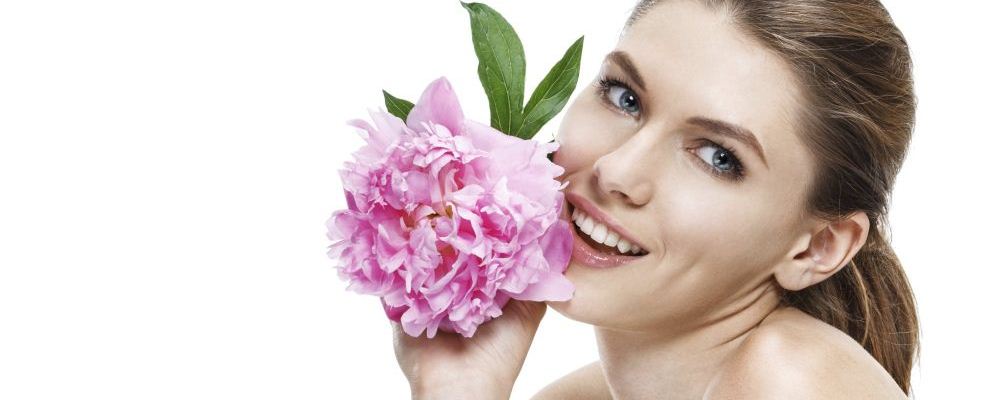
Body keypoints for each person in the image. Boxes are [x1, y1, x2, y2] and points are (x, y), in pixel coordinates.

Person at [392, 0, 919, 398]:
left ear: (817, 247)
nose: (616, 170)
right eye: (624, 97)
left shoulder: (789, 380)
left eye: (717, 156)